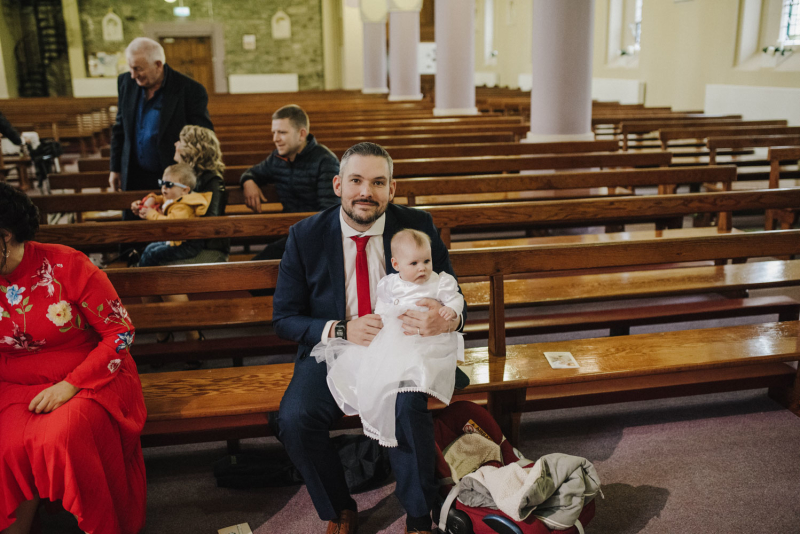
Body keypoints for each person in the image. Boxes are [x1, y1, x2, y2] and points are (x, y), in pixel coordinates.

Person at [272, 142, 468, 534]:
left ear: (391, 189)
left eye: (378, 182)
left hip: (407, 345)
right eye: (356, 181)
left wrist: (446, 322)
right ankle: (340, 508)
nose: (366, 192)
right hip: (336, 346)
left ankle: (419, 517)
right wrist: (341, 328)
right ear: (338, 185)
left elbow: (455, 297)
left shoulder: (417, 227)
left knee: (407, 408)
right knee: (295, 419)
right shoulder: (306, 235)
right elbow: (285, 318)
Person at [0, 183, 147, 534]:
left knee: (61, 435)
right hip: (13, 384)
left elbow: (121, 334)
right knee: (5, 443)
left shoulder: (66, 264)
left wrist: (70, 385)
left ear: (5, 236)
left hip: (90, 378)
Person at [311, 228, 465, 448]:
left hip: (428, 341)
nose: (422, 268)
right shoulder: (390, 283)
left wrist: (451, 313)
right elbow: (382, 304)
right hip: (394, 335)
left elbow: (457, 299)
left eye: (426, 261)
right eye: (414, 263)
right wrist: (381, 319)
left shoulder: (439, 281)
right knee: (375, 370)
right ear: (396, 264)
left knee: (409, 389)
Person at [109, 37, 213, 198]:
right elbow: (120, 128)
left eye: (138, 69)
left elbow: (202, 138)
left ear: (158, 65)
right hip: (134, 175)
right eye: (130, 68)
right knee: (133, 214)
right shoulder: (125, 82)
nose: (133, 75)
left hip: (173, 179)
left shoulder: (189, 89)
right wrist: (115, 169)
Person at [239, 104, 340, 262]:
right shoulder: (277, 159)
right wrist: (248, 181)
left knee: (259, 265)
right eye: (274, 132)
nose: (275, 139)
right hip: (290, 233)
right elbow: (252, 172)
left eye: (282, 132)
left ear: (301, 134)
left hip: (319, 238)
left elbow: (329, 213)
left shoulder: (325, 161)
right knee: (257, 266)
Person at [131, 124, 230, 265]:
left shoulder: (212, 181)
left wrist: (164, 215)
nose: (175, 144)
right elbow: (170, 199)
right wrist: (148, 203)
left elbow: (207, 225)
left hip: (206, 248)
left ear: (192, 149)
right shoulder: (184, 176)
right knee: (148, 249)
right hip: (184, 240)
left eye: (180, 141)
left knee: (153, 256)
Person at [137, 163, 211, 267]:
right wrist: (152, 198)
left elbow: (170, 224)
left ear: (184, 190)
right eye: (162, 183)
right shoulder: (175, 197)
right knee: (150, 247)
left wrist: (151, 214)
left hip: (187, 245)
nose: (164, 188)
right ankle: (140, 271)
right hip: (176, 241)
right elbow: (162, 198)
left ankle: (143, 275)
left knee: (152, 254)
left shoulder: (184, 206)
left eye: (169, 185)